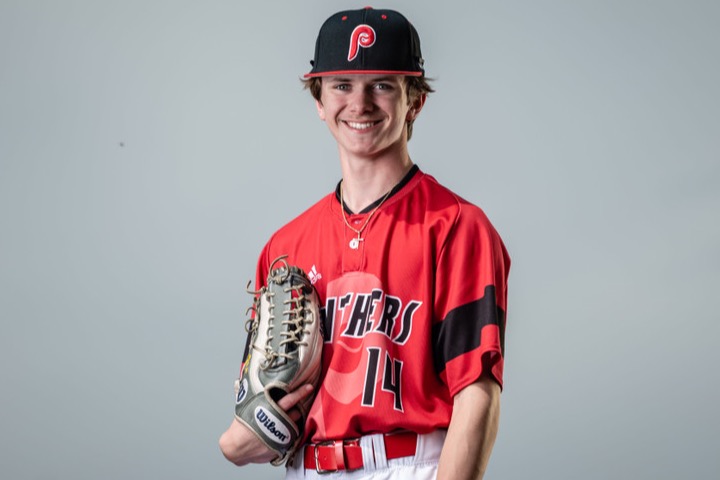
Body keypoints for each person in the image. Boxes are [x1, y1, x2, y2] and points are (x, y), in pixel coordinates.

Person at [219, 7, 510, 479]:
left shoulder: (457, 226)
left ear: (415, 100)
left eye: (382, 85)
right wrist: (238, 439)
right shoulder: (285, 246)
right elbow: (261, 396)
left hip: (409, 464)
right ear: (318, 99)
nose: (360, 103)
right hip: (308, 468)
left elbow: (477, 394)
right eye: (342, 85)